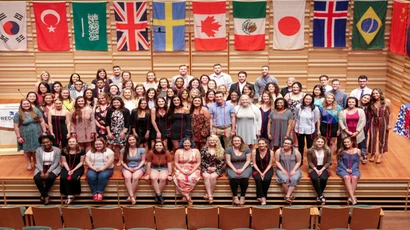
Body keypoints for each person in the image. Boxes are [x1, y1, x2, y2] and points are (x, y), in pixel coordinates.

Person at [14, 99, 47, 170]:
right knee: (27, 150)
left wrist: (44, 131)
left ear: (30, 104)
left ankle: (36, 162)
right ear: (21, 105)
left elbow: (42, 121)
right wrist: (18, 137)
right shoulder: (18, 114)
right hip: (25, 134)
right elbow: (16, 126)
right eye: (24, 104)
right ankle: (29, 163)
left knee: (36, 149)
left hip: (37, 133)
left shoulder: (36, 111)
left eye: (27, 103)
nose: (26, 105)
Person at [34, 135, 61, 205]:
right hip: (42, 167)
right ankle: (46, 196)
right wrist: (41, 171)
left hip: (53, 167)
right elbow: (38, 162)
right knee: (37, 178)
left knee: (51, 177)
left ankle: (43, 194)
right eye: (44, 143)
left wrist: (48, 172)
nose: (46, 144)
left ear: (51, 142)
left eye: (47, 142)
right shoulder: (38, 150)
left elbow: (56, 163)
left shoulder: (57, 150)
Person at [173, 137, 201, 205]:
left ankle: (185, 195)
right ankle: (188, 197)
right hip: (181, 168)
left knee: (192, 178)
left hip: (193, 168)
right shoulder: (178, 151)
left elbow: (198, 162)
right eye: (185, 143)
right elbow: (176, 162)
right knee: (180, 178)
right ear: (182, 143)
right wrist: (182, 170)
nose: (186, 144)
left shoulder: (196, 151)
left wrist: (192, 171)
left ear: (191, 143)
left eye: (188, 143)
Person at [225, 135, 252, 206]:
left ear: (241, 141)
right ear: (232, 142)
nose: (237, 142)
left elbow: (248, 160)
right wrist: (234, 170)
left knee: (245, 178)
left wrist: (242, 169)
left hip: (244, 166)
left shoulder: (246, 148)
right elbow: (228, 161)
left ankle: (242, 196)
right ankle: (235, 196)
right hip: (232, 166)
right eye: (235, 141)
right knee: (233, 178)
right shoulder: (229, 149)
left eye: (238, 140)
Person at [368, 88, 392, 164]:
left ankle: (380, 154)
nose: (375, 95)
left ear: (380, 93)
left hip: (384, 120)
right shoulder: (371, 102)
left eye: (377, 93)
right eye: (374, 93)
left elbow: (391, 113)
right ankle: (372, 153)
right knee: (372, 137)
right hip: (373, 120)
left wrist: (390, 124)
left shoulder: (387, 101)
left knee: (383, 137)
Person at [275, 137, 302, 204]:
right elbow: (277, 161)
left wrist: (294, 170)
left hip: (293, 168)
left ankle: (287, 196)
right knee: (285, 179)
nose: (286, 144)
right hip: (282, 168)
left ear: (291, 145)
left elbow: (299, 162)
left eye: (288, 143)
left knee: (294, 178)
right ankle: (290, 196)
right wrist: (282, 170)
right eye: (285, 143)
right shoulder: (278, 151)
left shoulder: (296, 152)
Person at [338, 97, 366, 161]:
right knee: (346, 145)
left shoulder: (360, 111)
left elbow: (363, 121)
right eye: (349, 102)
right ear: (347, 103)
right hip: (347, 132)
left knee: (356, 145)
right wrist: (346, 131)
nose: (351, 103)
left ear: (355, 103)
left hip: (357, 132)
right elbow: (341, 122)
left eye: (353, 102)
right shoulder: (342, 112)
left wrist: (357, 132)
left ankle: (356, 158)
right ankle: (346, 158)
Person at [293, 94, 320, 161]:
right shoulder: (298, 107)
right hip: (299, 129)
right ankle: (300, 160)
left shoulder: (315, 109)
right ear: (304, 99)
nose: (307, 100)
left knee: (310, 146)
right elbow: (296, 117)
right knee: (301, 145)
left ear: (312, 100)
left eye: (309, 99)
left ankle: (310, 160)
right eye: (306, 99)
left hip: (309, 130)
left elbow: (316, 119)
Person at [200, 135, 225, 204]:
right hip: (205, 167)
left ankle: (208, 194)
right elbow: (201, 160)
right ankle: (210, 196)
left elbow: (223, 161)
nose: (212, 141)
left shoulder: (221, 150)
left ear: (217, 141)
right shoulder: (203, 149)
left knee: (213, 176)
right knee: (206, 176)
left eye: (214, 140)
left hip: (217, 167)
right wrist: (207, 167)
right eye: (210, 140)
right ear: (208, 141)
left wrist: (215, 167)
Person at [60, 137, 85, 205]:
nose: (71, 143)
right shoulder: (64, 150)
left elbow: (81, 162)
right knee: (63, 177)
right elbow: (64, 161)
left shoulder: (81, 150)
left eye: (73, 141)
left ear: (76, 142)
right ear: (68, 143)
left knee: (74, 178)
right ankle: (69, 195)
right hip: (67, 166)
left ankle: (74, 193)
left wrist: (73, 170)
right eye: (70, 142)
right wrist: (68, 170)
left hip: (78, 167)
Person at [121, 135, 146, 205]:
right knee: (127, 177)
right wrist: (128, 168)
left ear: (136, 140)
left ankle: (130, 196)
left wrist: (137, 168)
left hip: (139, 167)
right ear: (127, 141)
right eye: (130, 140)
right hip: (127, 166)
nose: (132, 141)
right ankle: (132, 196)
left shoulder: (142, 150)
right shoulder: (123, 150)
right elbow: (122, 161)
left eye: (133, 139)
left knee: (135, 177)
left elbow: (143, 160)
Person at [307, 136, 331, 205]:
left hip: (324, 167)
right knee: (314, 178)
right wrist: (316, 170)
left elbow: (328, 162)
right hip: (313, 167)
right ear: (315, 142)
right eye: (318, 141)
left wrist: (322, 169)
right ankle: (321, 195)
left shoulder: (327, 150)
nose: (320, 143)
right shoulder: (310, 150)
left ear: (324, 143)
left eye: (322, 142)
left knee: (323, 178)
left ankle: (319, 195)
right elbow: (310, 162)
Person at [336, 137, 360, 205]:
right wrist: (346, 169)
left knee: (355, 177)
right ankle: (353, 198)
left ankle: (350, 198)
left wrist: (352, 169)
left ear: (352, 142)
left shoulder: (357, 150)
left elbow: (357, 162)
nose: (346, 144)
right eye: (345, 142)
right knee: (346, 177)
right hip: (342, 168)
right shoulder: (341, 150)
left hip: (354, 168)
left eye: (348, 142)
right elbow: (340, 162)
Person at [106, 97, 130, 166]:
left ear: (121, 103)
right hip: (113, 132)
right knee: (115, 146)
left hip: (122, 131)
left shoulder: (126, 111)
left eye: (117, 102)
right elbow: (107, 122)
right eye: (114, 103)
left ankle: (123, 160)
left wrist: (124, 133)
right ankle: (119, 159)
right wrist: (109, 132)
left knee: (122, 146)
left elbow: (128, 123)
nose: (116, 104)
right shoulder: (110, 110)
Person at [252, 138, 274, 205]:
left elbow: (270, 164)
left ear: (266, 144)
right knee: (258, 179)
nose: (261, 145)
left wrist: (264, 173)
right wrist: (260, 173)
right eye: (259, 144)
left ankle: (259, 196)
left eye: (263, 143)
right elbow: (254, 164)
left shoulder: (271, 152)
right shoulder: (254, 151)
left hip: (267, 168)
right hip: (257, 168)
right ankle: (263, 198)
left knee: (266, 179)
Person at [359, 94, 371, 163]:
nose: (365, 99)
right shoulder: (357, 105)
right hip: (355, 123)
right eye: (364, 97)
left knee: (363, 137)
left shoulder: (369, 107)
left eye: (367, 98)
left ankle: (363, 153)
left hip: (365, 124)